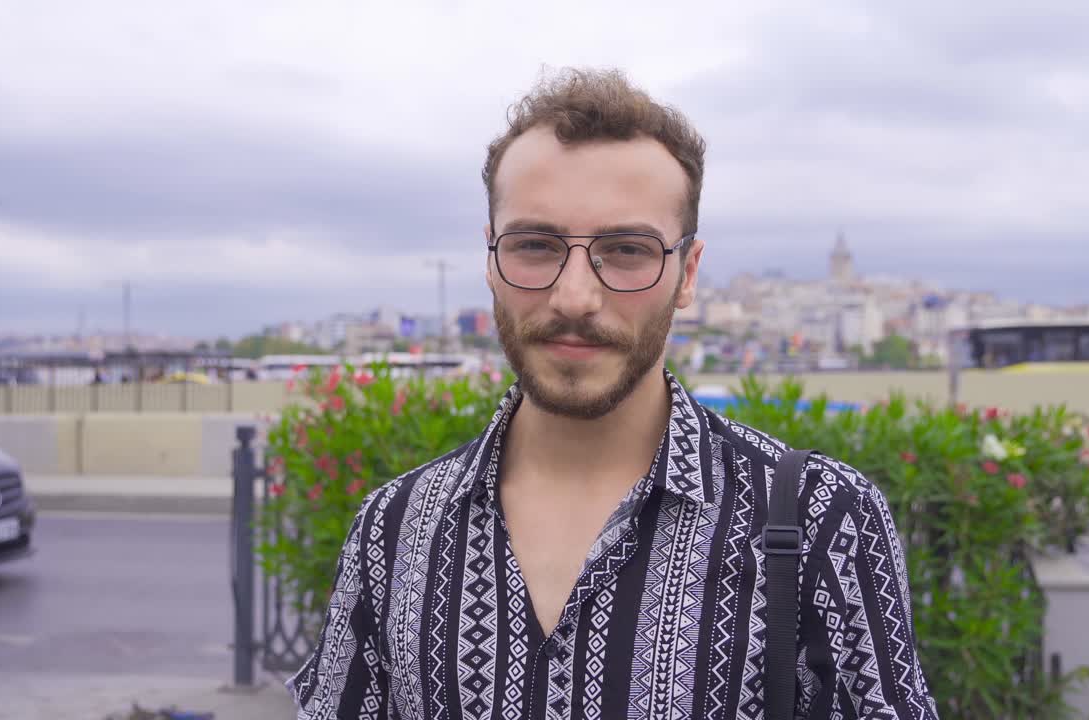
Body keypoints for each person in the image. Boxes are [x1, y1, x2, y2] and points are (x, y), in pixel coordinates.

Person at [290, 67, 938, 719]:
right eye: (536, 245)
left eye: (627, 250)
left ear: (687, 273)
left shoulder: (821, 518)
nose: (576, 296)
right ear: (490, 261)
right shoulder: (396, 527)